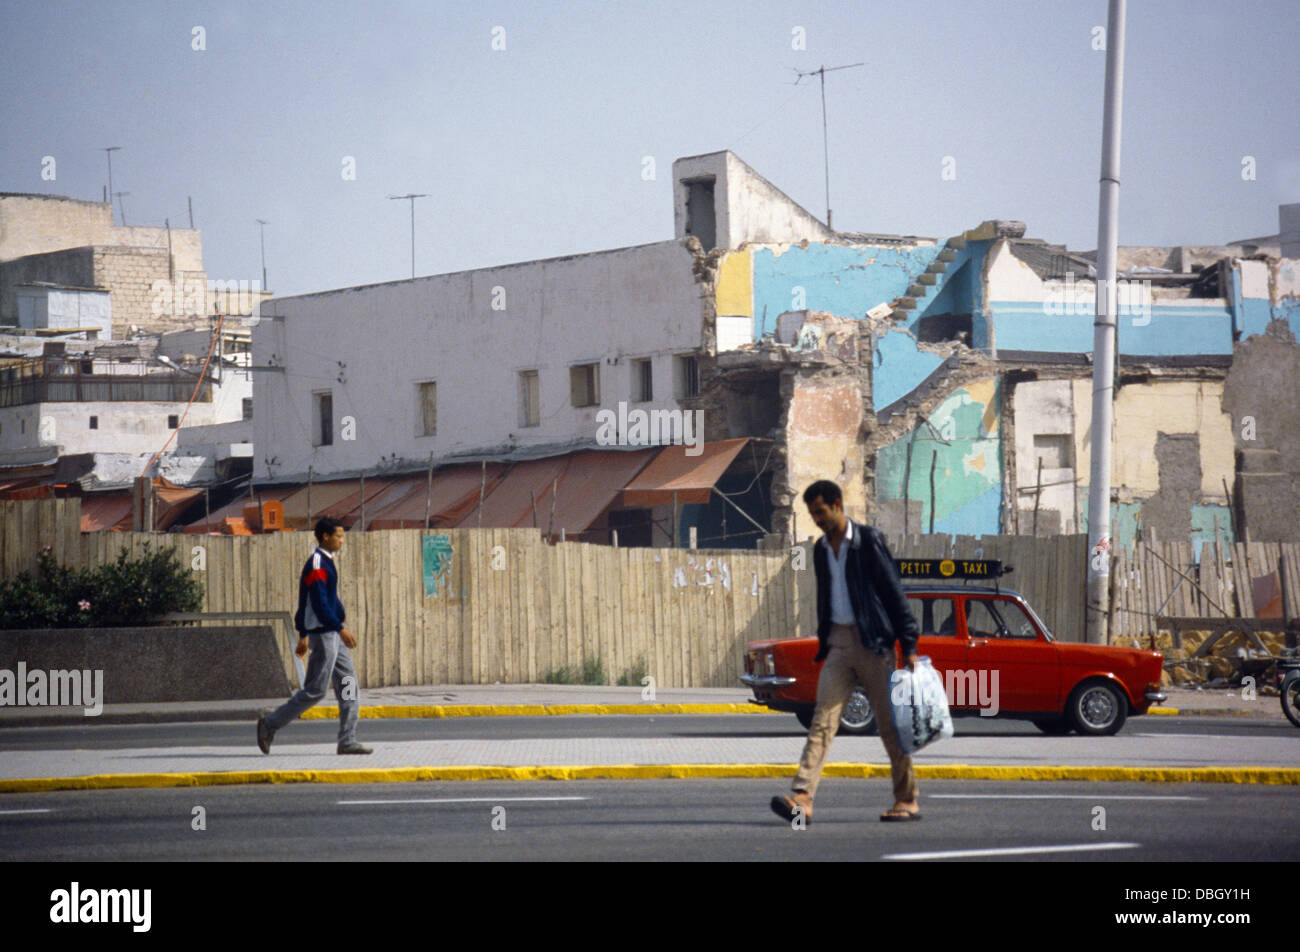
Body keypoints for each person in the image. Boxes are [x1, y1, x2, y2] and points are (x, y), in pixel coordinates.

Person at [770, 479, 921, 823]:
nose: (818, 519)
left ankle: (907, 798)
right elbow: (827, 597)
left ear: (838, 504)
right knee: (822, 721)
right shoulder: (821, 549)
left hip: (873, 644)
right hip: (838, 645)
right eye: (812, 514)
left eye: (821, 511)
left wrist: (908, 644)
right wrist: (824, 640)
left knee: (888, 726)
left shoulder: (869, 541)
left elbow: (893, 592)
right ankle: (803, 797)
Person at [257, 517, 372, 755]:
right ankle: (270, 723)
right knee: (315, 690)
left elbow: (318, 601)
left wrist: (307, 633)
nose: (342, 541)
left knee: (348, 682)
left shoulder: (326, 562)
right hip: (326, 634)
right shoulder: (318, 563)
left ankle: (347, 740)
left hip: (332, 631)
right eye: (338, 536)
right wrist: (335, 629)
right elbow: (316, 602)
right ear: (325, 537)